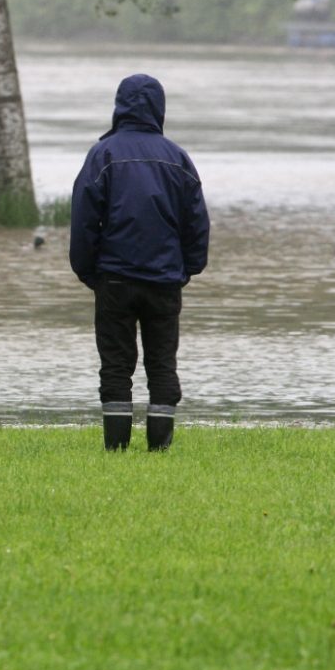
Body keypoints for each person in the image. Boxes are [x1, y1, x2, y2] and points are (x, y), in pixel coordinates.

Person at [69, 74, 210, 452]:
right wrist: (188, 268)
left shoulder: (103, 155)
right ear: (159, 107)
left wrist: (87, 271)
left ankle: (116, 448)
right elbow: (196, 221)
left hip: (114, 280)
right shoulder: (178, 158)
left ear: (120, 105)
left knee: (116, 365)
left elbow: (84, 219)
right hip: (164, 280)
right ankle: (159, 447)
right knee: (162, 364)